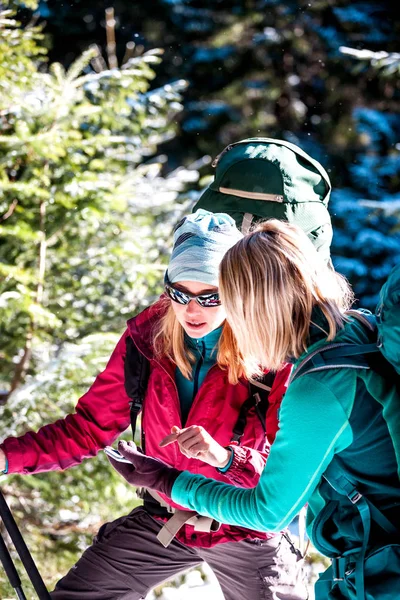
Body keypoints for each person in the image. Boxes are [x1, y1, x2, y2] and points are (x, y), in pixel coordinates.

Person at [0, 210, 307, 600]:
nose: (192, 310)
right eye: (180, 293)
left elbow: (288, 478)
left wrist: (225, 458)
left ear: (236, 292)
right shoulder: (147, 342)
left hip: (243, 525)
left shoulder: (271, 355)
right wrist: (6, 459)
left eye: (210, 296)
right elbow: (88, 428)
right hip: (168, 518)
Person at [109, 219, 400, 600]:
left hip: (380, 573)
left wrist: (166, 480)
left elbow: (268, 512)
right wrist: (225, 461)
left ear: (255, 307)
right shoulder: (353, 331)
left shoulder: (320, 387)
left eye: (230, 304)